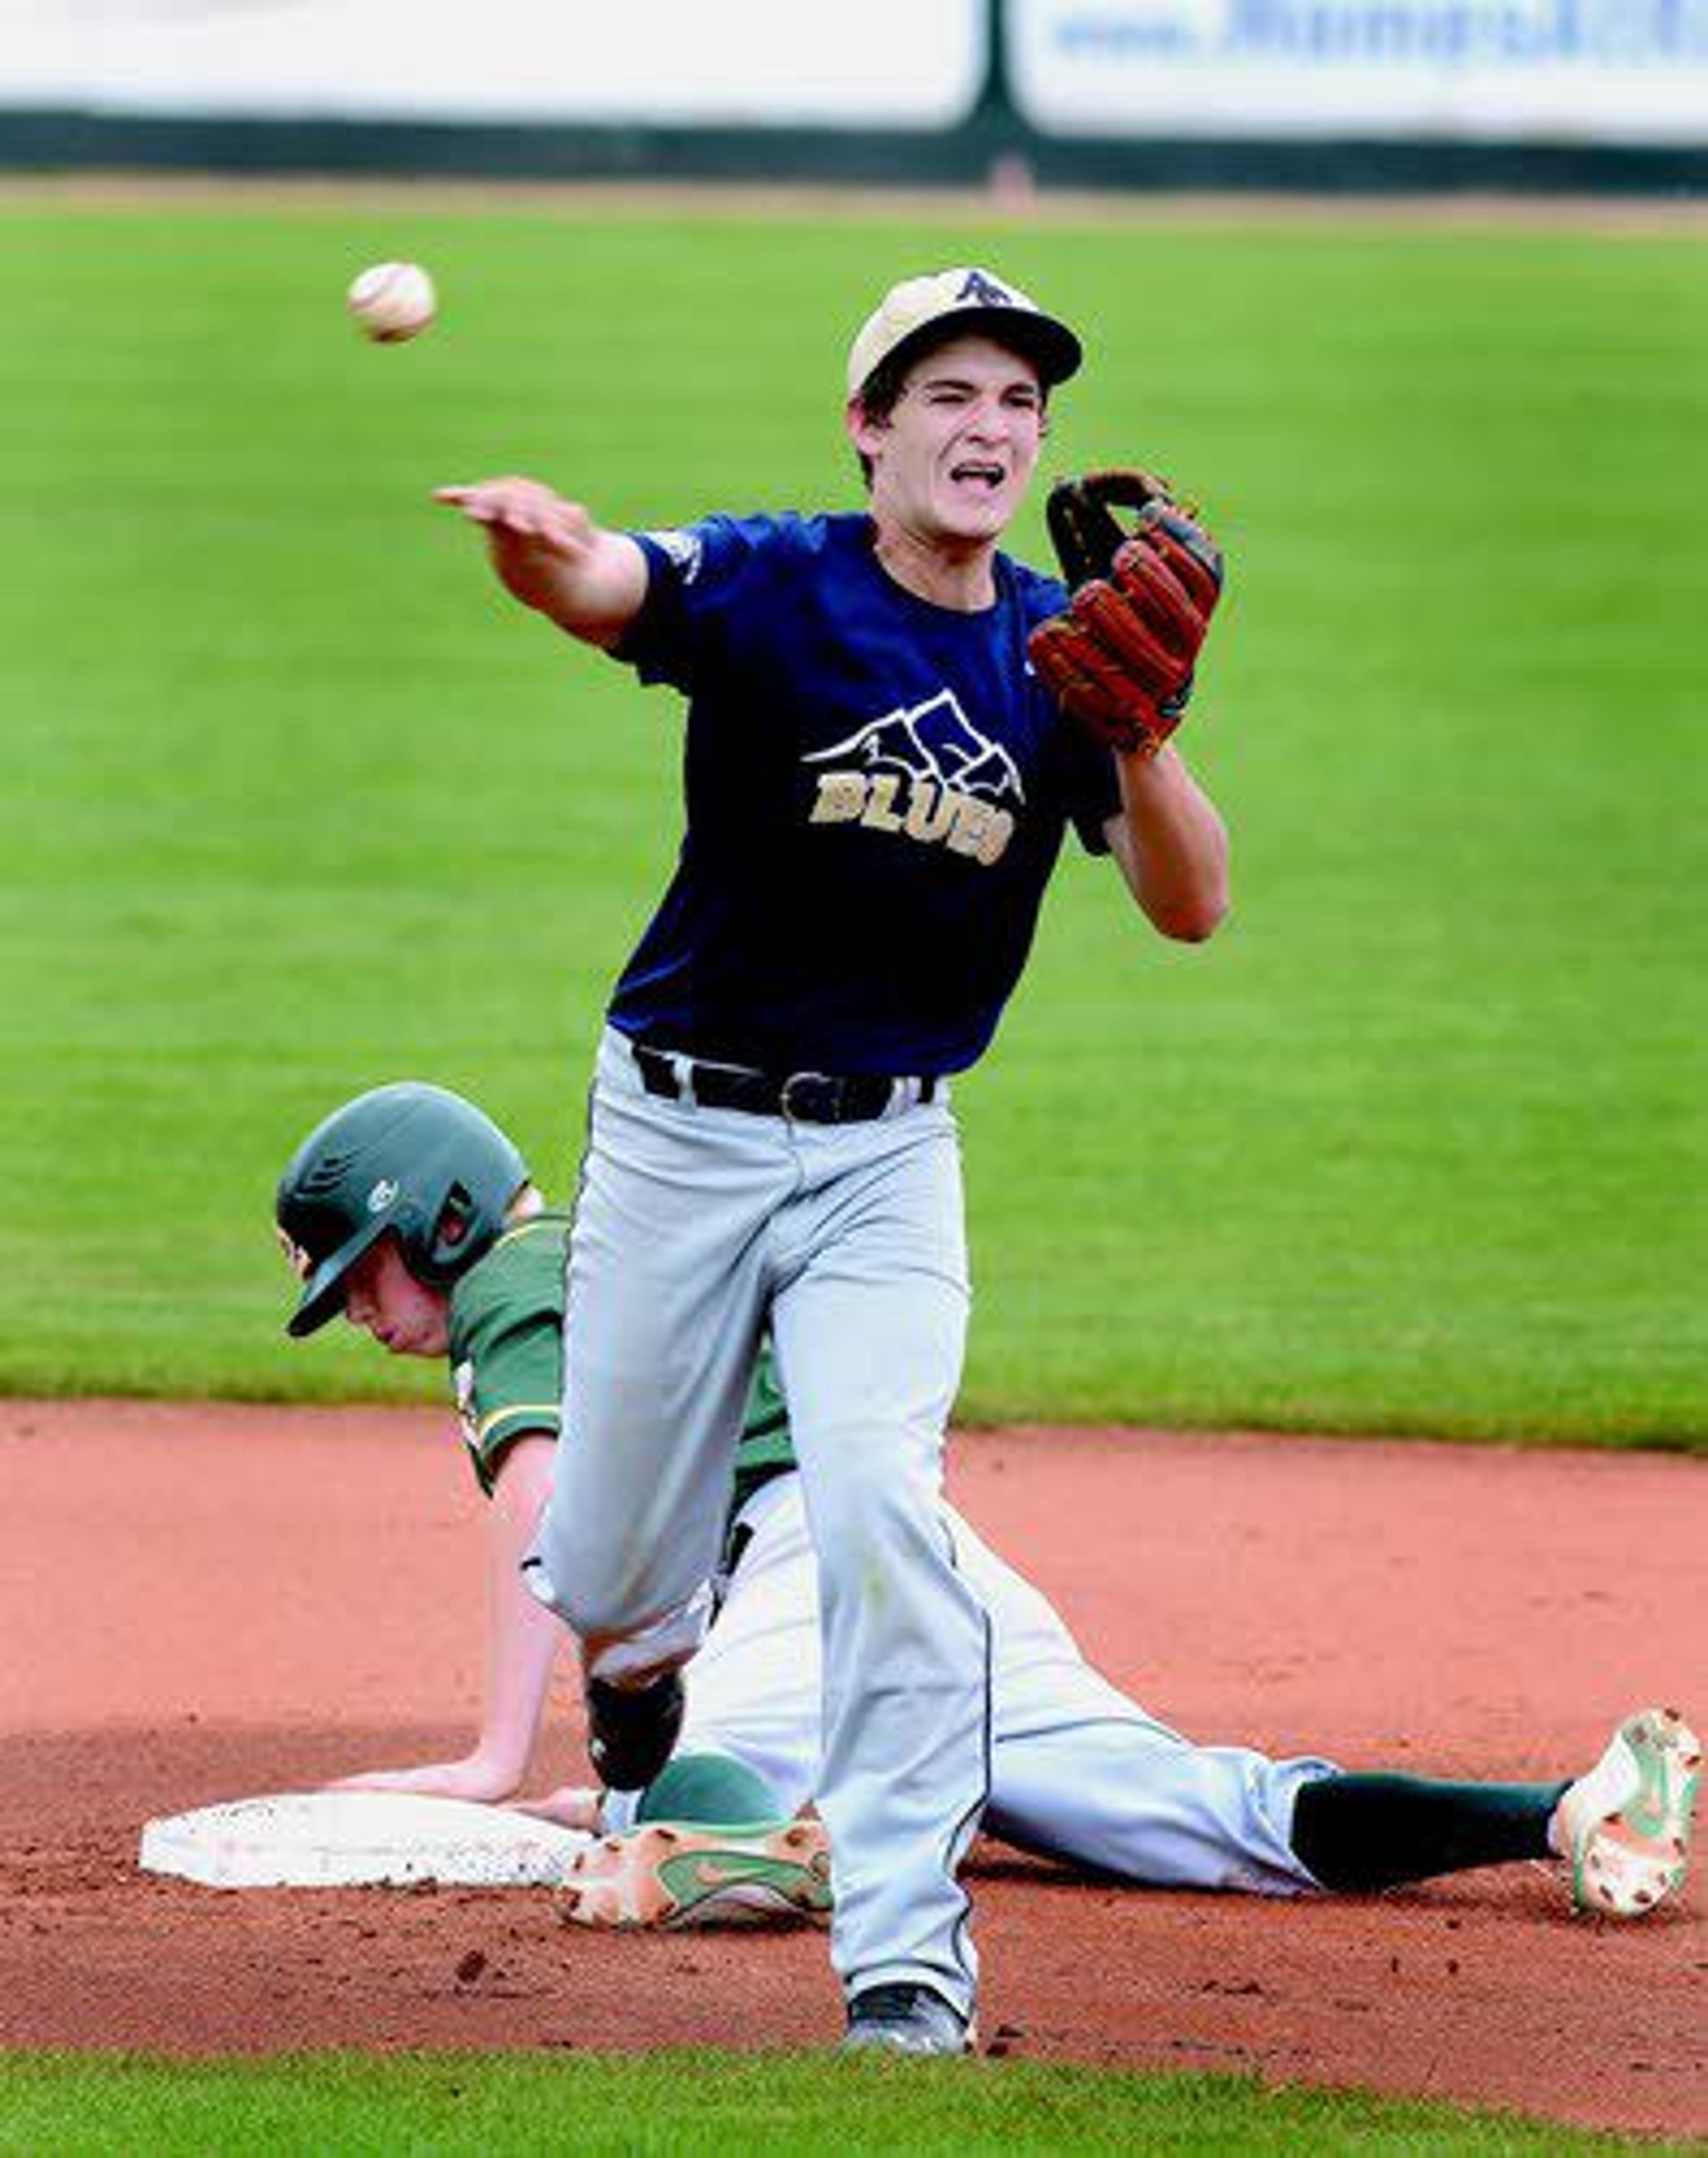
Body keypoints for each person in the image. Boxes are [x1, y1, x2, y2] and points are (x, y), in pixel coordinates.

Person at [429, 264, 1234, 2055]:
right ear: (871, 428)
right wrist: (535, 544)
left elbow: (1193, 904)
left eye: (1020, 404)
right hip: (676, 1129)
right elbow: (604, 585)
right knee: (624, 1562)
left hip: (889, 1162)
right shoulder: (781, 582)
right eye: (948, 394)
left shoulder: (1058, 657)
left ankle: (907, 1964)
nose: (991, 428)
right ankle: (635, 1694)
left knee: (884, 1511)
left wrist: (1146, 739)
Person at [274, 1084, 1700, 1962]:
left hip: (797, 1568)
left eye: (364, 1277)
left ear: (442, 1220)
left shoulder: (517, 1281)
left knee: (653, 1804)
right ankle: (1563, 1812)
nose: (360, 1314)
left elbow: (548, 1494)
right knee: (1215, 1811)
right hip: (923, 1565)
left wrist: (490, 1759)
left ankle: (788, 1840)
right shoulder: (594, 1258)